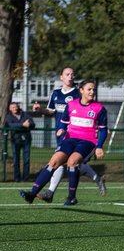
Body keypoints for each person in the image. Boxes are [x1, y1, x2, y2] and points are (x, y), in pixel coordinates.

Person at [20, 79, 107, 207]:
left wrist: (99, 146)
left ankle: (71, 198)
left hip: (88, 142)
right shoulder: (71, 105)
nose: (92, 91)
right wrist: (61, 128)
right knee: (54, 161)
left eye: (93, 89)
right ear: (81, 90)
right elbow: (64, 122)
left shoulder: (99, 108)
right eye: (89, 89)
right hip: (70, 139)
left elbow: (103, 130)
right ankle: (32, 194)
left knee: (72, 162)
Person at [4, 102, 33, 181]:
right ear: (10, 109)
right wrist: (23, 125)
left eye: (16, 107)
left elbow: (32, 123)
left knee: (26, 160)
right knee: (16, 160)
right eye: (13, 107)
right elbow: (10, 125)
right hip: (15, 140)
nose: (15, 108)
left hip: (26, 139)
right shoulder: (8, 116)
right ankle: (17, 178)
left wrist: (29, 124)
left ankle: (26, 178)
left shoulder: (25, 114)